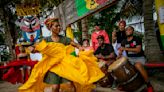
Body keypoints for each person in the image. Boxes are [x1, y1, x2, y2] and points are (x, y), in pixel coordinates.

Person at [28, 18, 83, 92]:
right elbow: (37, 48)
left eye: (59, 26)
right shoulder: (46, 40)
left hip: (64, 65)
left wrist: (80, 47)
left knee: (70, 85)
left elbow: (76, 45)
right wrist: (32, 49)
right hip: (52, 66)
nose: (59, 28)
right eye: (56, 26)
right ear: (50, 27)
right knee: (55, 87)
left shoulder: (64, 39)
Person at [120, 26, 153, 91]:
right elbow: (120, 51)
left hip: (139, 58)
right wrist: (119, 54)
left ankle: (148, 84)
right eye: (126, 30)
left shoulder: (137, 39)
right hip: (129, 58)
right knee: (121, 67)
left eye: (130, 29)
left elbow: (138, 50)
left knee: (137, 65)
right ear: (125, 32)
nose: (128, 31)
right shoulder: (123, 41)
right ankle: (123, 84)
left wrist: (125, 48)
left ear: (132, 31)